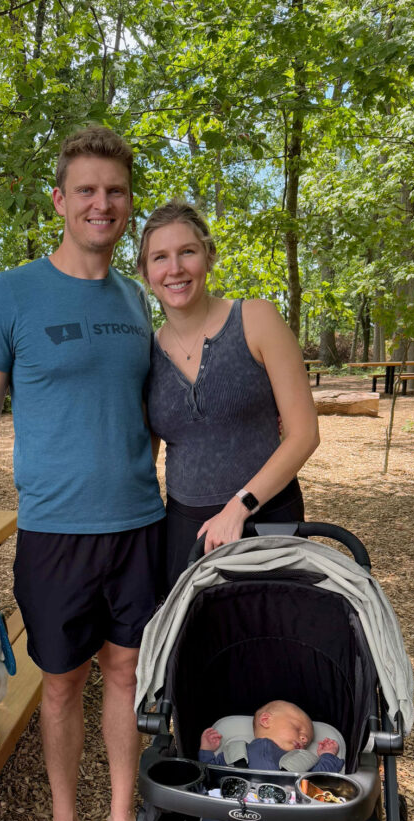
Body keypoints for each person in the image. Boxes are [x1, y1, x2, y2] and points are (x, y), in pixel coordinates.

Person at [0, 127, 165, 821]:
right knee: (63, 681)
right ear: (60, 201)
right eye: (88, 190)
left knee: (127, 673)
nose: (102, 203)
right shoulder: (10, 294)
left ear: (128, 205)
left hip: (139, 524)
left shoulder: (138, 300)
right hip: (54, 532)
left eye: (116, 191)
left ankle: (124, 819)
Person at [138, 202, 320, 590]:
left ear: (208, 256)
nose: (175, 268)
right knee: (201, 649)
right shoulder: (145, 353)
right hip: (185, 532)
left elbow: (304, 434)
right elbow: (143, 454)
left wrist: (240, 506)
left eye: (187, 251)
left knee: (273, 643)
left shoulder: (257, 319)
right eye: (160, 257)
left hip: (268, 518)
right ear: (146, 272)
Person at [198, 700, 343, 821]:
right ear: (266, 720)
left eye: (307, 739)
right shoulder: (233, 752)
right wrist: (206, 751)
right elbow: (210, 774)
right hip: (241, 815)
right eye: (298, 729)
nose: (304, 739)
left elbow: (319, 777)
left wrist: (327, 756)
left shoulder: (301, 761)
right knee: (209, 814)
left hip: (289, 818)